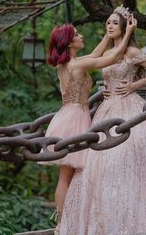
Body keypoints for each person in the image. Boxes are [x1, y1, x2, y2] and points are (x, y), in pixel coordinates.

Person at [60, 5, 146, 235]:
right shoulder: (113, 51)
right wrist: (105, 91)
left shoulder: (130, 52)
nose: (110, 26)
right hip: (106, 109)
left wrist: (134, 85)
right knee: (97, 164)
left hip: (129, 107)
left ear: (124, 27)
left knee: (127, 158)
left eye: (115, 23)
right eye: (108, 22)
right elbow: (106, 58)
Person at [39, 16, 137, 235]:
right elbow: (112, 56)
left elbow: (94, 55)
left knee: (69, 175)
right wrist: (127, 32)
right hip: (75, 119)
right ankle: (62, 223)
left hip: (69, 115)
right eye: (76, 34)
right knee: (67, 175)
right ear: (69, 42)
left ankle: (67, 220)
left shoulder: (69, 63)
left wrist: (108, 35)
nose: (80, 36)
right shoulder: (77, 64)